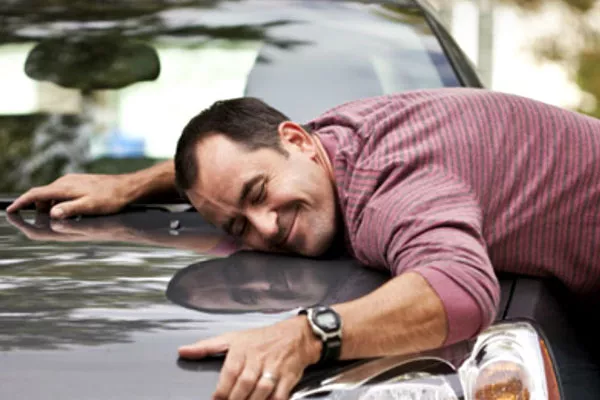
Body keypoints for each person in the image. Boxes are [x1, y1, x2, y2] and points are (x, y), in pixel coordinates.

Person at [7, 87, 600, 400]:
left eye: (260, 193)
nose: (264, 227)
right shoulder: (328, 139)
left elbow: (463, 293)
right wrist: (130, 183)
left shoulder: (388, 186)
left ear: (299, 141)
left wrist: (306, 334)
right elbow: (234, 170)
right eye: (237, 225)